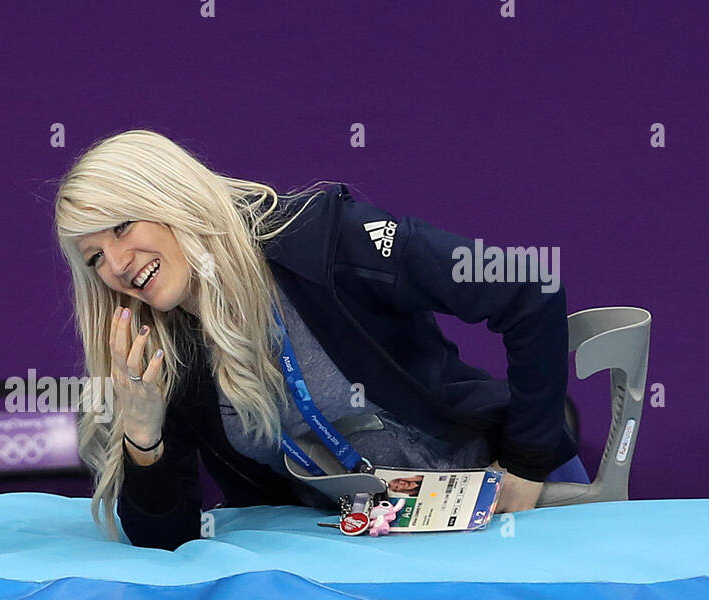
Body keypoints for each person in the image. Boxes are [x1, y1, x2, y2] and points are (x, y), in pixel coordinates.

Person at [53, 130, 586, 549]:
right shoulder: (165, 350)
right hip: (383, 550)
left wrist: (525, 464)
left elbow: (527, 286)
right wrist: (143, 434)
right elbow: (164, 540)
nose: (118, 265)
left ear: (168, 197)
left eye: (122, 226)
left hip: (510, 507)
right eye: (94, 257)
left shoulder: (323, 242)